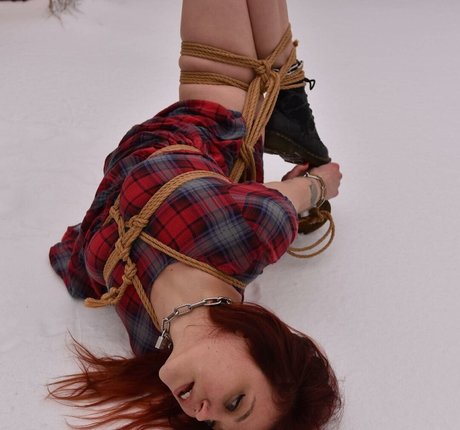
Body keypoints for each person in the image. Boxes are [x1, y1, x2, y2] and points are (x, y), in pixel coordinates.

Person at [48, 1, 343, 429]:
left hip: (145, 150)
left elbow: (83, 257)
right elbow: (297, 194)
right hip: (213, 119)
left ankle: (288, 94)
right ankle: (287, 95)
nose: (201, 413)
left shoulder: (149, 343)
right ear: (255, 343)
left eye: (213, 427)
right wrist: (319, 184)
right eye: (236, 403)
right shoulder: (246, 236)